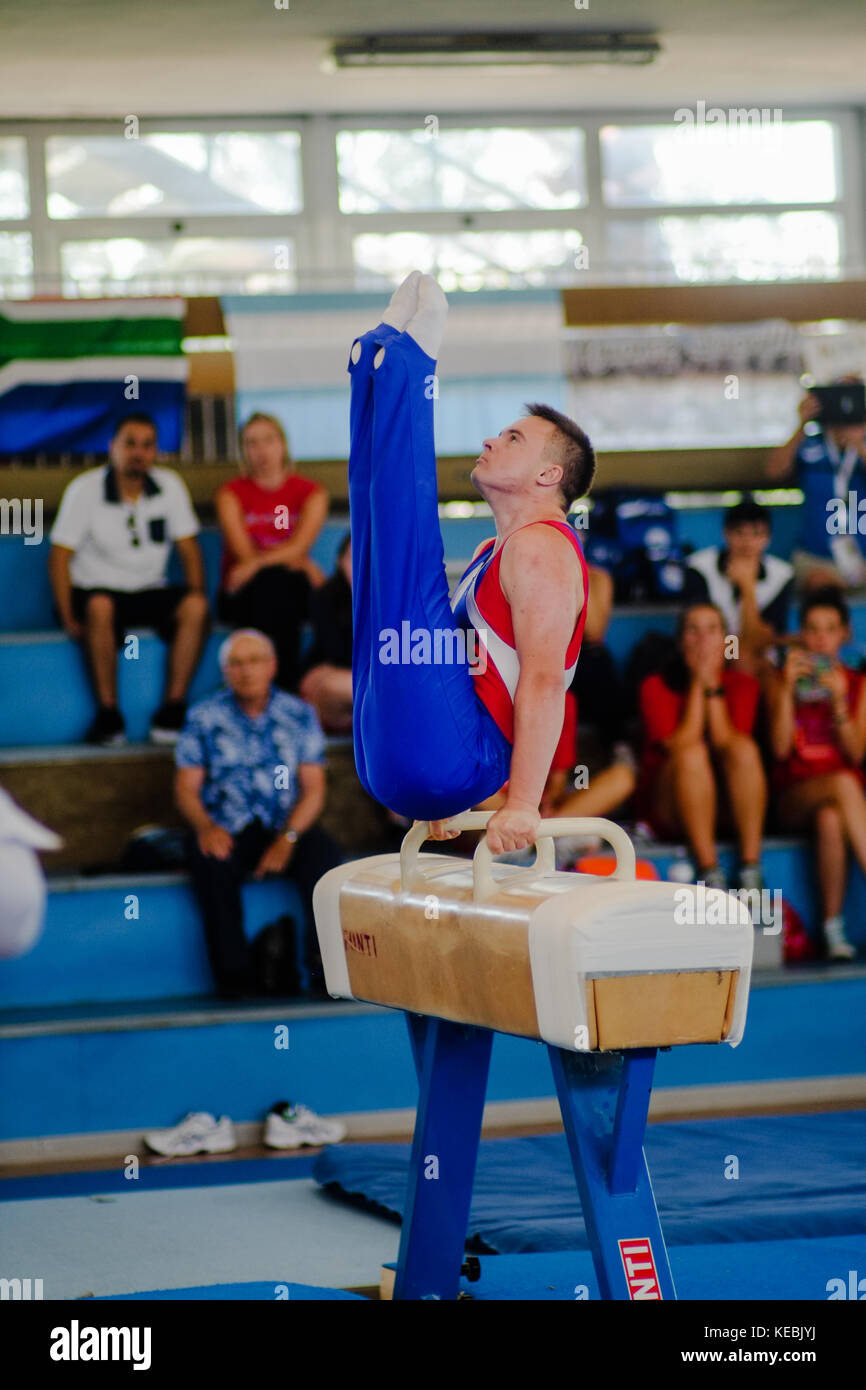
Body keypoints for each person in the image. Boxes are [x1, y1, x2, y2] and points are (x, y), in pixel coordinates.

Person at [348, 270, 594, 856]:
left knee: (406, 570)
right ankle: (374, 369)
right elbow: (459, 676)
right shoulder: (495, 550)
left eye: (512, 439)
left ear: (548, 476)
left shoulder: (543, 548)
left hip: (465, 758)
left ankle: (410, 366)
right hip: (418, 766)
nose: (490, 442)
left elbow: (542, 681)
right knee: (378, 552)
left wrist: (524, 805)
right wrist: (445, 798)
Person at [174, 628, 343, 1000]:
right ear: (225, 672)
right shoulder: (204, 717)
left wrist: (289, 838)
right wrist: (205, 827)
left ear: (272, 666)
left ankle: (324, 972)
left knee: (327, 861)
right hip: (226, 826)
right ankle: (236, 980)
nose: (246, 670)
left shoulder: (298, 715)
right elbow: (186, 787)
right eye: (236, 663)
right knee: (209, 864)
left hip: (286, 824)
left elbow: (314, 788)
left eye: (254, 661)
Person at [48, 412, 209, 745]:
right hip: (97, 592)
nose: (139, 452)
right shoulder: (85, 489)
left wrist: (201, 600)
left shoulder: (170, 486)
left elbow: (189, 551)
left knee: (195, 606)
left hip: (149, 591)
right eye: (130, 444)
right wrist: (67, 618)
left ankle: (172, 712)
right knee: (100, 605)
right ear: (112, 447)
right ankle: (109, 718)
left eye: (148, 445)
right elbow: (59, 558)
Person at [635, 602, 766, 891]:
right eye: (693, 631)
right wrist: (699, 682)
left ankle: (750, 869)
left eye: (712, 630)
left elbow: (726, 742)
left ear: (725, 641)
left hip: (727, 805)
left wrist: (711, 684)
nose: (703, 639)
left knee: (744, 751)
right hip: (671, 807)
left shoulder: (744, 685)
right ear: (681, 642)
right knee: (692, 755)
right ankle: (710, 871)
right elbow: (683, 744)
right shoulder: (655, 686)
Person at [767, 587, 866, 960]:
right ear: (802, 635)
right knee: (842, 785)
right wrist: (786, 691)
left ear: (845, 634)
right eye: (812, 628)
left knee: (830, 818)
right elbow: (778, 749)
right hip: (793, 796)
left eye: (830, 628)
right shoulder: (783, 678)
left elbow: (856, 752)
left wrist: (839, 701)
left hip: (840, 801)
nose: (821, 637)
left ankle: (832, 928)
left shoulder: (857, 684)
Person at [216, 413, 329, 691]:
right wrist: (294, 559)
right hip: (241, 591)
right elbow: (244, 555)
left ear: (283, 445)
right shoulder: (230, 493)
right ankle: (284, 687)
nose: (261, 450)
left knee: (281, 585)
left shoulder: (312, 492)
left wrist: (265, 561)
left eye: (268, 440)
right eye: (251, 443)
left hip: (283, 587)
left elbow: (299, 547)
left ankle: (272, 689)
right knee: (274, 584)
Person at [765, 383, 866, 590]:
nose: (845, 409)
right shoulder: (811, 446)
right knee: (820, 587)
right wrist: (802, 424)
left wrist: (859, 444)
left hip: (862, 555)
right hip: (816, 558)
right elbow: (773, 472)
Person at [684, 496, 794, 670]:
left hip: (759, 653)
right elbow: (698, 626)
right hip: (710, 648)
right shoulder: (699, 567)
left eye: (756, 534)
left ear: (768, 538)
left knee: (752, 658)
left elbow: (763, 638)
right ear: (725, 533)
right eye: (739, 533)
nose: (747, 543)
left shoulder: (782, 575)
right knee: (740, 656)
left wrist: (747, 586)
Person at [298, 531, 353, 733]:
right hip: (330, 689)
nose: (360, 567)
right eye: (351, 558)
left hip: (372, 699)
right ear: (340, 562)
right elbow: (337, 654)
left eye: (367, 559)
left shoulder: (398, 602)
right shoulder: (326, 597)